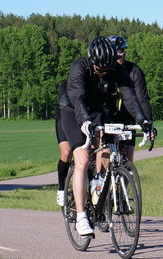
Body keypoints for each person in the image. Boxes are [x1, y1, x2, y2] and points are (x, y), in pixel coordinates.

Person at [59, 37, 153, 236]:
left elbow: (129, 97)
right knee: (82, 158)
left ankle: (99, 182)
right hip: (73, 110)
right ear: (92, 62)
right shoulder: (79, 67)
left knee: (113, 141)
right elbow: (78, 98)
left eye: (107, 70)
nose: (103, 74)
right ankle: (82, 217)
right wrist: (84, 122)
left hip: (96, 110)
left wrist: (143, 120)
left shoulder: (116, 69)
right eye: (100, 70)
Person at [108, 35, 155, 162]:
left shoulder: (134, 71)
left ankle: (125, 178)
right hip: (107, 114)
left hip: (128, 115)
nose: (120, 55)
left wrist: (148, 122)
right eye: (117, 53)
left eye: (122, 51)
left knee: (128, 159)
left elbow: (142, 99)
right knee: (106, 154)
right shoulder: (106, 69)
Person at [53, 80, 72, 207]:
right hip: (65, 116)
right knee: (67, 152)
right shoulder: (66, 86)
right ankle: (61, 188)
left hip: (84, 119)